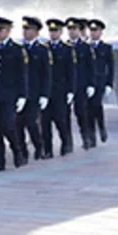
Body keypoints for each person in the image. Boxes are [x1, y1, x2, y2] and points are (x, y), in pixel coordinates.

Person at [0, 16, 28, 171]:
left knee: (8, 125)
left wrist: (23, 95)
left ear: (8, 30)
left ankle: (17, 151)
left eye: (0, 29)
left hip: (11, 93)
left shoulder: (17, 49)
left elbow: (23, 74)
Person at [17, 16, 50, 162]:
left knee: (31, 122)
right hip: (19, 93)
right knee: (17, 124)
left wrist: (45, 94)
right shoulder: (18, 48)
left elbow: (47, 74)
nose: (25, 32)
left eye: (28, 29)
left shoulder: (42, 50)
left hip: (35, 92)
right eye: (24, 28)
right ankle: (22, 151)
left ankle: (38, 146)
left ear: (36, 31)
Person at [41, 18, 76, 157]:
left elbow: (72, 71)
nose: (52, 33)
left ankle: (66, 143)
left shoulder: (67, 49)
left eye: (55, 30)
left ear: (61, 32)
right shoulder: (44, 48)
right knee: (45, 122)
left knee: (61, 119)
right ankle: (48, 150)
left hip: (61, 90)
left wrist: (71, 90)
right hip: (46, 90)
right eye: (50, 30)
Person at [67, 18, 96, 149]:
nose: (72, 32)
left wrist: (91, 84)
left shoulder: (86, 47)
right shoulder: (65, 46)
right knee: (64, 115)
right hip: (66, 85)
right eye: (70, 29)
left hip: (81, 84)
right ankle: (67, 142)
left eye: (75, 29)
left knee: (81, 113)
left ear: (80, 31)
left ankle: (87, 137)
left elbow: (91, 67)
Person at [88, 18, 115, 144]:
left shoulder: (106, 48)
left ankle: (101, 128)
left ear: (101, 32)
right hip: (88, 82)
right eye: (91, 30)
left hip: (100, 82)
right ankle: (91, 136)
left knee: (96, 106)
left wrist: (109, 83)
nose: (93, 33)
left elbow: (111, 67)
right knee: (87, 109)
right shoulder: (86, 47)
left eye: (96, 30)